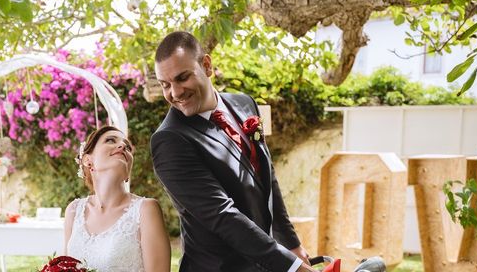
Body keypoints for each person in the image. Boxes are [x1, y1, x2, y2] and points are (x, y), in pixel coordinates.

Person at [151, 31, 315, 272]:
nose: (175, 93)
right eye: (165, 85)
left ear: (206, 65)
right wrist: (290, 267)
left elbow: (266, 175)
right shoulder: (170, 140)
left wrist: (291, 244)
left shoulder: (245, 103)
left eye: (182, 78)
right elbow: (222, 215)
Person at [63, 125, 171, 272]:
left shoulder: (146, 210)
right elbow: (64, 265)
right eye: (110, 140)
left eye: (127, 147)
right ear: (88, 160)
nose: (122, 146)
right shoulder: (73, 211)